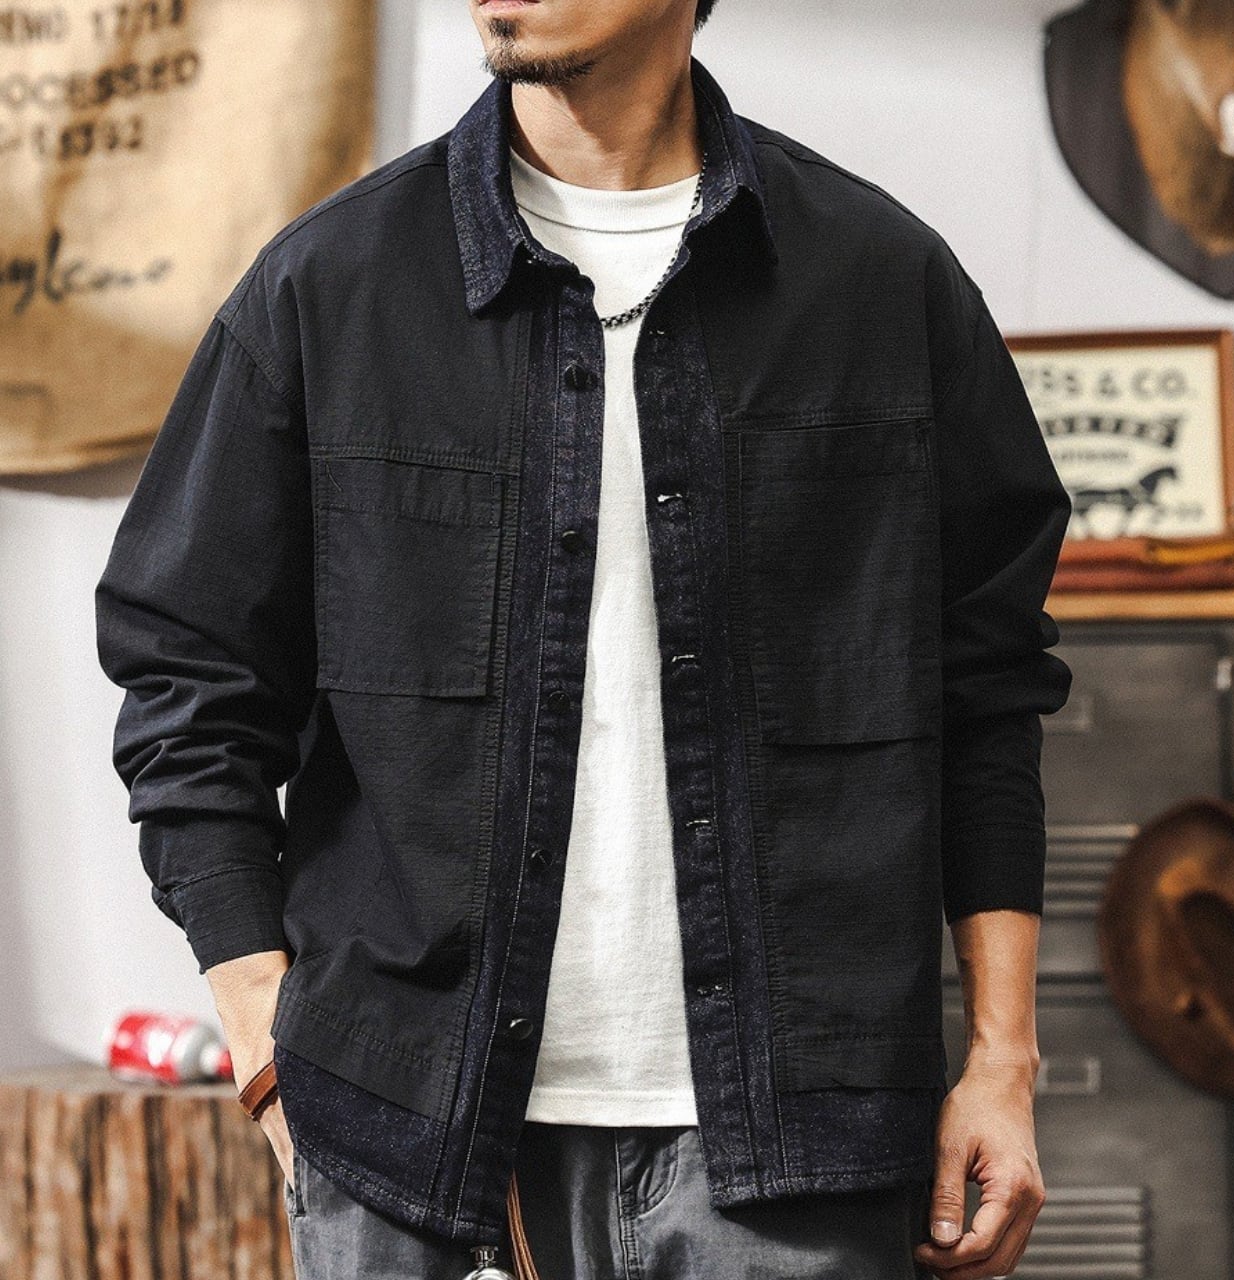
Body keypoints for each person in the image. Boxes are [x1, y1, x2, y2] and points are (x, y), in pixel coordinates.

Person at [95, 1, 1072, 1277]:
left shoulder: (878, 282)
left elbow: (984, 687)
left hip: (795, 1143)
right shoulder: (330, 285)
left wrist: (1001, 1060)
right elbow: (187, 673)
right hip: (411, 1145)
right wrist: (259, 1027)